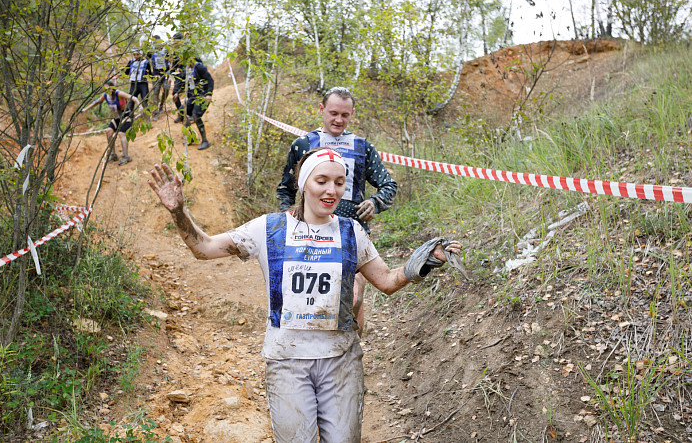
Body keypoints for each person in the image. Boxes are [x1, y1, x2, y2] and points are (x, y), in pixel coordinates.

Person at [148, 147, 462, 442]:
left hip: (340, 359)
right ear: (303, 183)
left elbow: (388, 280)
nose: (332, 190)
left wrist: (423, 262)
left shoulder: (352, 231)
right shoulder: (268, 228)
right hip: (286, 360)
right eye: (321, 181)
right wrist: (178, 212)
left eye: (339, 183)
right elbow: (204, 249)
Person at [277, 86, 397, 334]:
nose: (338, 120)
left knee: (353, 300)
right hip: (308, 235)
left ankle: (351, 351)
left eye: (345, 115)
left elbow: (389, 185)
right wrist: (287, 218)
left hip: (351, 235)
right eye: (333, 113)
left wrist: (375, 202)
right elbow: (285, 189)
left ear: (352, 113)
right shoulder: (303, 144)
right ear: (322, 110)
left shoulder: (363, 147)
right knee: (311, 302)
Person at [82, 80, 142, 165]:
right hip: (117, 118)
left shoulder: (119, 93)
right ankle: (113, 154)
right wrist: (85, 109)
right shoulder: (105, 96)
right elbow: (96, 102)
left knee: (121, 133)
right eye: (105, 89)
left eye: (109, 88)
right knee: (109, 131)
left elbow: (133, 98)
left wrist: (139, 106)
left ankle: (126, 156)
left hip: (126, 116)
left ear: (112, 88)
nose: (107, 90)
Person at [179, 56, 214, 150]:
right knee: (181, 111)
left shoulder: (199, 67)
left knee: (195, 115)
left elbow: (210, 80)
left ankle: (205, 141)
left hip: (203, 95)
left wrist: (209, 94)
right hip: (194, 96)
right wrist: (178, 93)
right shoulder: (187, 70)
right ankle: (192, 137)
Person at [148, 35, 170, 121]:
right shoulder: (151, 51)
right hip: (156, 74)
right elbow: (145, 59)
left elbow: (170, 61)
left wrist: (170, 73)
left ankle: (162, 104)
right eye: (154, 43)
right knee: (156, 92)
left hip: (165, 74)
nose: (156, 45)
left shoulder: (166, 50)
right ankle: (156, 112)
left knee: (166, 88)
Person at [125, 48, 151, 112]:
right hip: (134, 84)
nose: (136, 56)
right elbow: (126, 72)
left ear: (141, 55)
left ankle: (147, 119)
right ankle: (130, 119)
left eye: (137, 55)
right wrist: (118, 76)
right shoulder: (131, 62)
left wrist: (155, 76)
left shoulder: (146, 62)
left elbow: (150, 73)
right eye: (134, 55)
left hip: (143, 84)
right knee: (131, 102)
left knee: (144, 102)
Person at [169, 32, 186, 124]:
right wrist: (170, 76)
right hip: (179, 76)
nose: (174, 43)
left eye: (176, 41)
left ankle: (190, 114)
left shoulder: (187, 49)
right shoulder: (175, 52)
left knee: (190, 94)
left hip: (188, 75)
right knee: (175, 94)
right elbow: (174, 65)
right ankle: (181, 115)